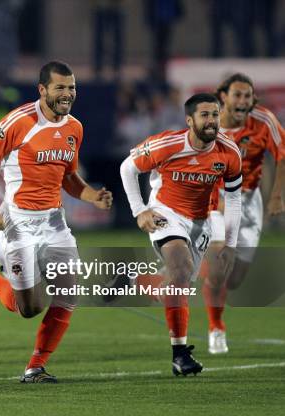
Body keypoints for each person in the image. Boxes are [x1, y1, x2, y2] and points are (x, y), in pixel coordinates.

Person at [0, 61, 113, 383]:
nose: (67, 94)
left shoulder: (74, 127)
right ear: (42, 90)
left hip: (54, 223)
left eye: (72, 88)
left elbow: (69, 176)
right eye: (60, 88)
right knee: (29, 308)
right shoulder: (19, 121)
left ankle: (35, 367)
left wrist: (92, 196)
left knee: (68, 295)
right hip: (17, 222)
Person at [120, 93, 242, 376]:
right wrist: (140, 211)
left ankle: (134, 280)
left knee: (177, 286)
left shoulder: (229, 152)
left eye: (215, 114)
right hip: (166, 212)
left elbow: (234, 199)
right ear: (189, 120)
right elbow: (128, 167)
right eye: (205, 115)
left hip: (202, 221)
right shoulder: (169, 144)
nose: (212, 121)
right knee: (181, 268)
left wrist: (231, 244)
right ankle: (180, 355)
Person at [202, 73, 285, 354]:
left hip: (250, 202)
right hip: (217, 199)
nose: (242, 100)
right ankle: (216, 328)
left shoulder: (264, 120)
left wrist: (275, 195)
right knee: (217, 267)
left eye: (247, 95)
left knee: (235, 279)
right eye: (237, 95)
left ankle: (199, 265)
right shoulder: (208, 122)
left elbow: (282, 153)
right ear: (223, 96)